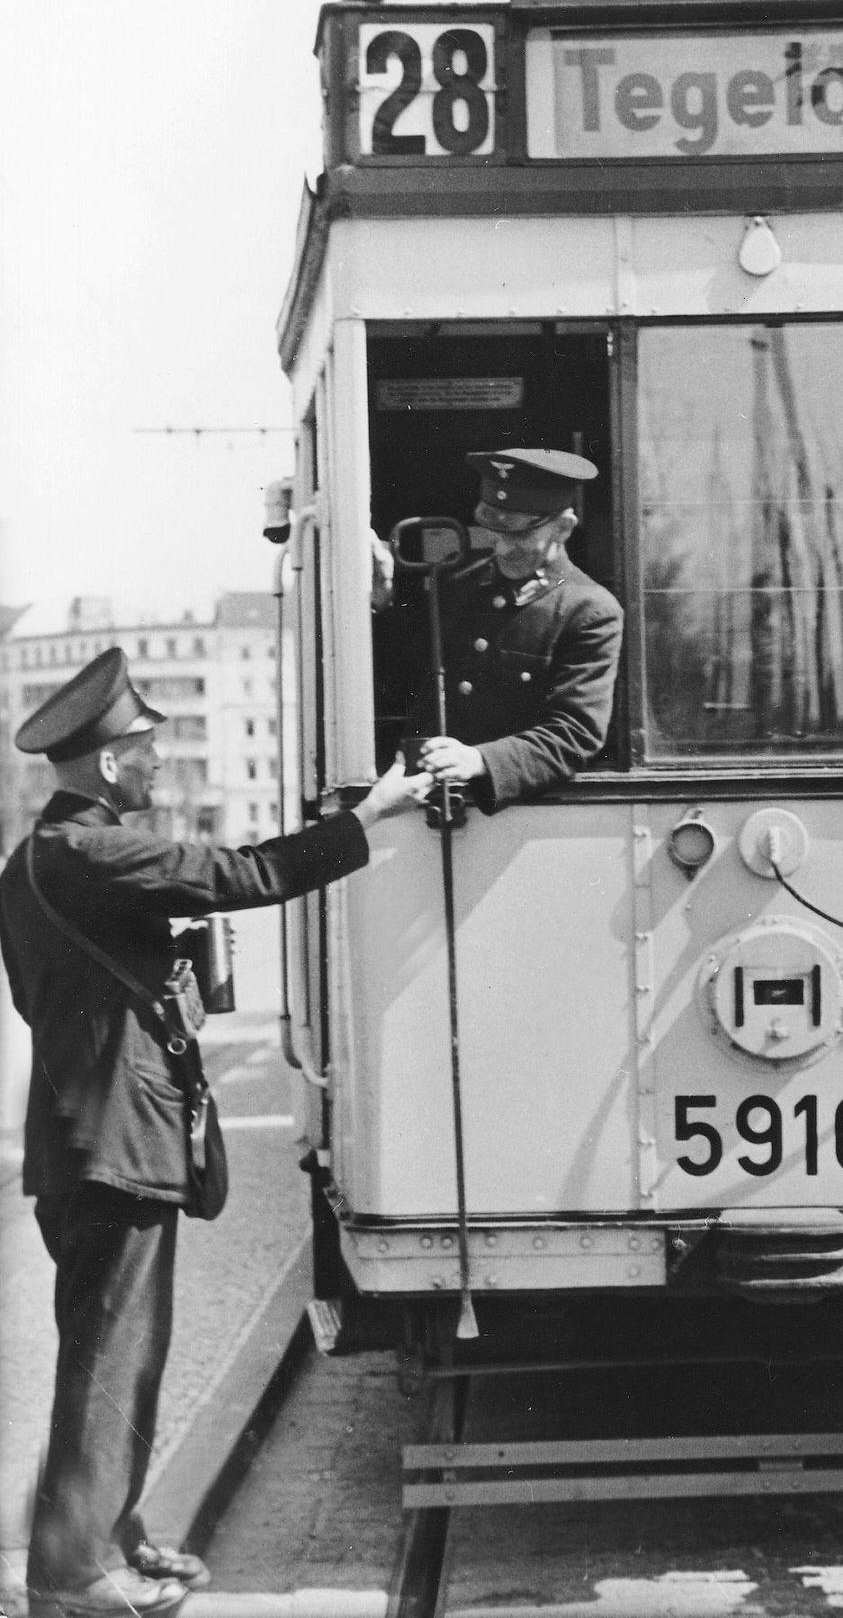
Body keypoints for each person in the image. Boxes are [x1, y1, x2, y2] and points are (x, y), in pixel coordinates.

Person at [0, 648, 430, 1618]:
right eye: (148, 750)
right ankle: (69, 1577)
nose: (159, 764)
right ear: (108, 765)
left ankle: (106, 1535)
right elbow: (248, 871)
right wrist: (370, 817)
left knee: (113, 1353)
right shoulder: (101, 853)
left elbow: (42, 1000)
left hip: (77, 1140)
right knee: (111, 1362)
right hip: (119, 1145)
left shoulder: (29, 866)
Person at [374, 447, 624, 810]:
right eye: (494, 532)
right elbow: (404, 672)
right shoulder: (456, 582)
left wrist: (478, 761)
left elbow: (575, 733)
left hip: (520, 817)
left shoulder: (589, 611)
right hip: (423, 805)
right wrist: (381, 600)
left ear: (564, 528)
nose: (503, 548)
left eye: (520, 536)